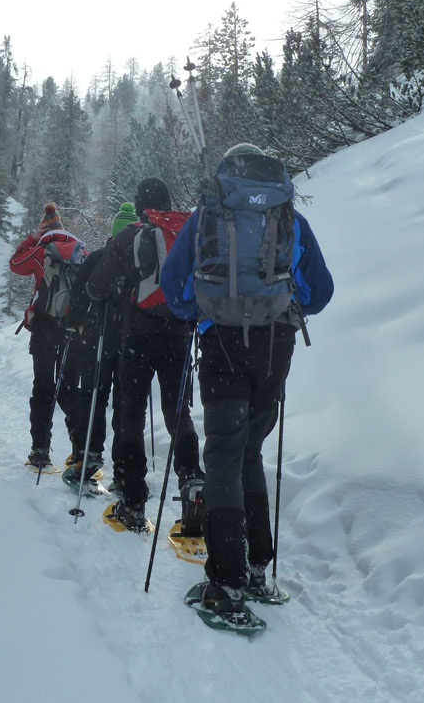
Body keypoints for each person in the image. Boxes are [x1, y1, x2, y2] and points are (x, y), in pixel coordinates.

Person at [160, 143, 333, 624]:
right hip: (276, 347)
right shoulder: (289, 218)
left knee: (222, 456)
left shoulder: (208, 215)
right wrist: (278, 305)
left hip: (222, 345)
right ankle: (257, 567)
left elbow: (174, 287)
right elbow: (321, 292)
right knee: (250, 450)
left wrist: (204, 311)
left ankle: (227, 582)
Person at [87, 178, 203, 531]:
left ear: (140, 206)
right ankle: (192, 481)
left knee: (132, 415)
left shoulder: (127, 237)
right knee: (177, 413)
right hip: (179, 335)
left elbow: (97, 287)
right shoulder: (187, 232)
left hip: (137, 337)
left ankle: (133, 500)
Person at [62, 203, 138, 487]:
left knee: (92, 396)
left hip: (98, 338)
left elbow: (80, 297)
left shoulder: (97, 258)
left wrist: (76, 323)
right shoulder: (142, 261)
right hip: (131, 341)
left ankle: (88, 453)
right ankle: (122, 469)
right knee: (124, 404)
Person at [9, 203, 86, 468]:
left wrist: (32, 237)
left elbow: (15, 264)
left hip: (44, 329)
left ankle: (40, 451)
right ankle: (81, 451)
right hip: (74, 330)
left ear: (45, 228)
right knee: (68, 390)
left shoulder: (41, 250)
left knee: (43, 388)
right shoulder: (81, 251)